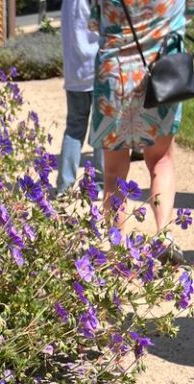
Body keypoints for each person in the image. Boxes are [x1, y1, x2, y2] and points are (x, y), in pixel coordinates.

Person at [90, 0, 194, 258]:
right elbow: (189, 12)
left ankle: (118, 247)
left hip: (115, 76)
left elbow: (94, 22)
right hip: (163, 73)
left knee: (114, 172)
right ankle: (164, 237)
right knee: (161, 160)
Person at [57, 0, 104, 194]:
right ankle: (100, 183)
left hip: (74, 71)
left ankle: (64, 186)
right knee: (102, 128)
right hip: (98, 66)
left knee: (74, 128)